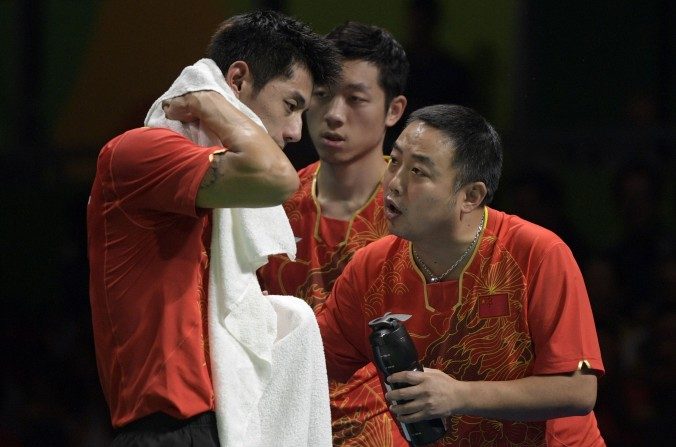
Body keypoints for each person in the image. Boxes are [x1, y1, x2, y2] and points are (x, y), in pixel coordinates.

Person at [87, 10, 340, 446]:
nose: (297, 131)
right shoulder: (140, 152)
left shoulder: (224, 198)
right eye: (290, 106)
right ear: (237, 80)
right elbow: (277, 178)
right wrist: (211, 101)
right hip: (166, 429)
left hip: (224, 423)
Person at [317, 104, 606, 446]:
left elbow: (578, 389)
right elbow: (315, 361)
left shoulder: (538, 253)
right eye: (394, 162)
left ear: (471, 196)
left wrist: (458, 395)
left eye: (418, 172)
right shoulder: (371, 267)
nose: (393, 183)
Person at [257, 21, 409, 446]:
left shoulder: (420, 214)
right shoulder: (271, 201)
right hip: (283, 426)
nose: (334, 115)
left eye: (356, 99)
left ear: (394, 110)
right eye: (321, 96)